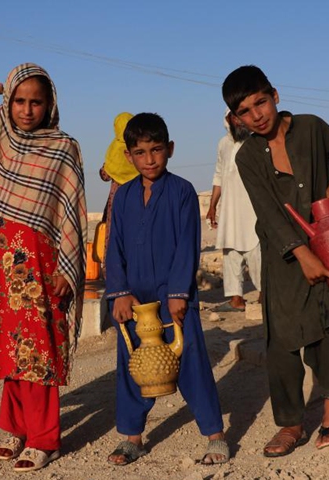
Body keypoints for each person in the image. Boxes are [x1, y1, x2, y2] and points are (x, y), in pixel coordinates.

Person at [0, 63, 86, 473]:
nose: (27, 110)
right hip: (1, 265)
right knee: (9, 351)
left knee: (39, 354)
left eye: (36, 102)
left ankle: (44, 437)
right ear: (8, 103)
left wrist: (68, 269)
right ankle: (14, 427)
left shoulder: (64, 148)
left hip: (43, 267)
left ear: (49, 105)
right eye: (19, 101)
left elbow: (71, 214)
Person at [222, 65, 329, 456]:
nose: (256, 115)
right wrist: (301, 255)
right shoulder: (247, 156)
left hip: (328, 245)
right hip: (282, 256)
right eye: (245, 111)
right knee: (281, 339)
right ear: (237, 118)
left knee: (325, 325)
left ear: (275, 95)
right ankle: (290, 424)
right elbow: (268, 212)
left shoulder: (311, 128)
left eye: (260, 102)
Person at [105, 113, 228, 466]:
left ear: (170, 149)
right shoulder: (124, 197)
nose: (149, 159)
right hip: (133, 296)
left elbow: (187, 246)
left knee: (190, 358)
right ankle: (132, 437)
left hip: (173, 294)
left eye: (156, 150)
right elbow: (115, 249)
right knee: (131, 364)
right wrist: (119, 292)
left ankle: (214, 434)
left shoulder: (182, 192)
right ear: (128, 155)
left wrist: (179, 293)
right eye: (140, 152)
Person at [206, 110, 261, 312]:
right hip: (230, 210)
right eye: (234, 117)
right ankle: (236, 299)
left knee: (257, 253)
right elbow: (219, 175)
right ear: (228, 120)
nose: (238, 121)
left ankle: (265, 296)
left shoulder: (256, 142)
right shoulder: (223, 143)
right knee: (231, 253)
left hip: (253, 209)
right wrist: (213, 205)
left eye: (241, 116)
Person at [98, 112, 137, 267]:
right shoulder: (137, 146)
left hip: (116, 198)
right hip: (137, 195)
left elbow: (105, 175)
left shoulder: (114, 148)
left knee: (113, 234)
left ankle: (112, 270)